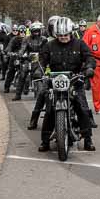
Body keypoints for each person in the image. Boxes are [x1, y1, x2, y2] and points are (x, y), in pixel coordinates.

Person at [38, 17, 96, 152]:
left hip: (75, 81)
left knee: (83, 107)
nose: (63, 37)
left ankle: (88, 139)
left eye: (65, 35)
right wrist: (38, 71)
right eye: (60, 35)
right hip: (55, 82)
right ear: (56, 34)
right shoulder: (49, 46)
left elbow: (89, 57)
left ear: (70, 32)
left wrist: (89, 67)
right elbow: (41, 60)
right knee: (49, 110)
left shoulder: (80, 44)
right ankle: (45, 141)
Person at [18, 22, 47, 113]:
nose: (36, 33)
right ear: (31, 31)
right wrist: (21, 54)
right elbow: (22, 48)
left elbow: (47, 49)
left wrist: (46, 56)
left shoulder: (44, 39)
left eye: (38, 31)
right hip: (29, 58)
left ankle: (44, 95)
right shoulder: (26, 39)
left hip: (40, 59)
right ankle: (18, 94)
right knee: (23, 73)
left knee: (43, 75)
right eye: (34, 31)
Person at [3, 26, 26, 93]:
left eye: (24, 32)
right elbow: (9, 47)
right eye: (21, 32)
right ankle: (6, 87)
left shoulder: (27, 39)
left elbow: (31, 47)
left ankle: (28, 86)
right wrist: (9, 52)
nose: (22, 33)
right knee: (11, 71)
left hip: (24, 58)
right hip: (15, 57)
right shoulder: (14, 39)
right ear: (19, 32)